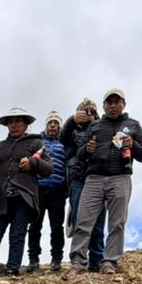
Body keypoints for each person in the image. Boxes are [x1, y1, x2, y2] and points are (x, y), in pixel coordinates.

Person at [68, 89, 142, 275]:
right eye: (109, 102)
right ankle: (78, 264)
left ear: (124, 104)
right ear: (104, 105)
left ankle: (110, 263)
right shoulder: (95, 125)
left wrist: (132, 145)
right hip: (94, 178)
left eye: (117, 102)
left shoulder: (133, 125)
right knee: (83, 221)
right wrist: (88, 149)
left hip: (121, 177)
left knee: (117, 223)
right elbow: (79, 154)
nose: (113, 105)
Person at [0, 107, 52, 279]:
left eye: (18, 121)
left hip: (23, 196)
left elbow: (49, 169)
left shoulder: (37, 145)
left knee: (17, 235)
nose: (14, 125)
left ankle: (13, 270)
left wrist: (33, 164)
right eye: (11, 122)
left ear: (26, 124)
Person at [61, 98, 104, 271]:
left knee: (99, 222)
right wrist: (72, 120)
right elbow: (62, 138)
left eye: (91, 111)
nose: (87, 114)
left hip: (98, 177)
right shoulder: (71, 130)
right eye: (83, 111)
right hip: (78, 178)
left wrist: (96, 124)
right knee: (80, 220)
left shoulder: (102, 128)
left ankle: (97, 261)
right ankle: (79, 262)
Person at [27, 110, 69, 272]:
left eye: (56, 123)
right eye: (50, 122)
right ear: (46, 125)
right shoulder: (37, 142)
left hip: (58, 190)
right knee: (34, 225)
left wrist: (66, 187)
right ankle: (33, 259)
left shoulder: (65, 144)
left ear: (60, 126)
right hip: (38, 188)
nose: (53, 125)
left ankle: (56, 259)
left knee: (57, 226)